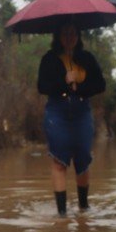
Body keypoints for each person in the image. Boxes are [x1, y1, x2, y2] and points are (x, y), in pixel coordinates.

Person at [37, 23, 105, 216]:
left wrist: (81, 82)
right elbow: (42, 86)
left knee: (82, 159)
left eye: (73, 33)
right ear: (58, 35)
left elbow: (100, 85)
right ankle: (62, 213)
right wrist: (64, 81)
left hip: (82, 111)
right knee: (59, 160)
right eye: (65, 32)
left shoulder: (87, 58)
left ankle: (84, 208)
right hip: (57, 112)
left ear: (78, 36)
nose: (69, 37)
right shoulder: (49, 59)